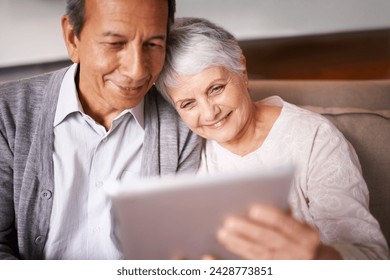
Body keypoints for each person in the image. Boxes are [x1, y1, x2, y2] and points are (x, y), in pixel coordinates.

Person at [155, 17, 389, 259]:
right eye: (188, 104)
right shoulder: (185, 153)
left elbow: (374, 258)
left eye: (216, 88)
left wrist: (315, 257)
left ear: (242, 71)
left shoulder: (314, 137)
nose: (209, 112)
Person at [0, 0, 202, 260]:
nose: (137, 69)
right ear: (73, 38)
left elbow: (180, 246)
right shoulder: (7, 112)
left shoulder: (184, 122)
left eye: (152, 44)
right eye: (115, 44)